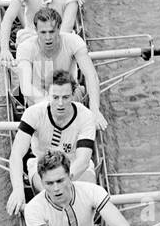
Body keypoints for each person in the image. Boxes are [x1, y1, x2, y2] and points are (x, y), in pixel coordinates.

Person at [7, 71, 97, 215]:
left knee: (89, 195)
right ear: (47, 94)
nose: (60, 103)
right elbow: (17, 154)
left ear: (74, 94)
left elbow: (83, 160)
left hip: (76, 168)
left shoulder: (86, 116)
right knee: (54, 196)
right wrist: (18, 189)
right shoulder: (33, 113)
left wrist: (63, 182)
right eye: (55, 97)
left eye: (65, 97)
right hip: (43, 168)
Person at [15, 11, 105, 127]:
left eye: (52, 32)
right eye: (43, 32)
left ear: (59, 29)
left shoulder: (73, 41)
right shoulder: (25, 48)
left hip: (69, 98)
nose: (48, 37)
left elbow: (91, 76)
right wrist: (49, 103)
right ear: (36, 31)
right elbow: (26, 87)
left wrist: (95, 109)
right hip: (39, 102)